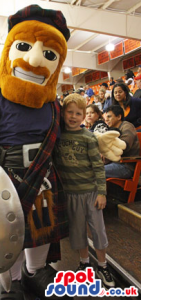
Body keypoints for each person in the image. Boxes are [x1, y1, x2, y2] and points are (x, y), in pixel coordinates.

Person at [0, 5, 71, 299]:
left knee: (41, 228)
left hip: (43, 177)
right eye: (24, 47)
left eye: (49, 55)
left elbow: (63, 139)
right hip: (3, 179)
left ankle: (36, 272)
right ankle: (13, 282)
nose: (34, 61)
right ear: (9, 50)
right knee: (8, 234)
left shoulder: (52, 105)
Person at [53, 93, 115, 289]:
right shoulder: (57, 137)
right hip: (70, 194)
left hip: (90, 193)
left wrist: (102, 192)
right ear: (63, 114)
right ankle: (84, 263)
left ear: (83, 116)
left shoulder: (89, 138)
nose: (73, 116)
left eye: (78, 113)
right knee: (77, 232)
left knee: (98, 231)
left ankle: (103, 265)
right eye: (69, 112)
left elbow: (98, 166)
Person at [104, 105, 140, 179]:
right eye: (106, 117)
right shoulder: (111, 129)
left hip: (125, 166)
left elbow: (123, 147)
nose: (106, 120)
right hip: (112, 163)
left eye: (109, 117)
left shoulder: (127, 126)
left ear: (119, 117)